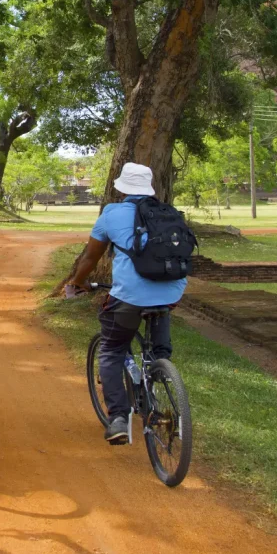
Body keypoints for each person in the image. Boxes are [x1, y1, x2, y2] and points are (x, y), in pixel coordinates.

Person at [66, 163, 187, 443]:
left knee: (111, 349)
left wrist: (77, 282)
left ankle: (119, 418)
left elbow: (90, 257)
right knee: (158, 339)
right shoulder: (168, 213)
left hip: (130, 296)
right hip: (173, 291)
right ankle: (161, 372)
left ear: (121, 188)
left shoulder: (112, 213)